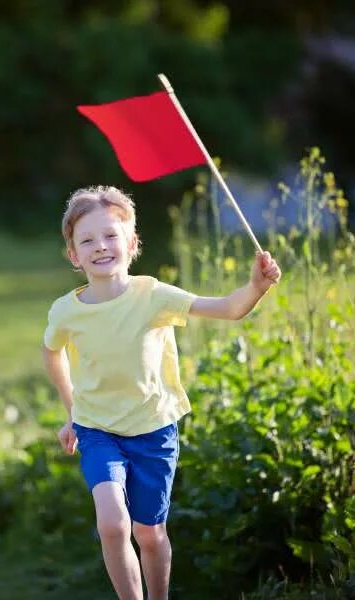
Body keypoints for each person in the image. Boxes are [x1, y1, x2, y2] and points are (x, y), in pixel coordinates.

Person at [40, 185, 281, 600]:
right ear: (74, 256)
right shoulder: (65, 311)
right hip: (98, 430)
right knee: (113, 524)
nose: (101, 246)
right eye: (87, 240)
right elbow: (51, 353)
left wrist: (256, 287)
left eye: (111, 235)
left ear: (132, 243)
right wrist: (71, 411)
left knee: (149, 534)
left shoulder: (152, 296)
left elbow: (227, 308)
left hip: (153, 431)